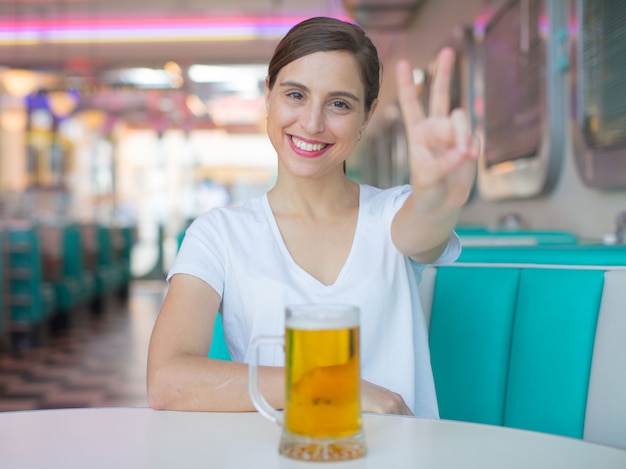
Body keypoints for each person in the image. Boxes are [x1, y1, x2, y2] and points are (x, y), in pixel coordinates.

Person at [147, 16, 478, 417]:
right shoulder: (218, 235)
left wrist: (437, 197)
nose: (312, 122)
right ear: (268, 95)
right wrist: (333, 387)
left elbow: (424, 230)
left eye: (339, 103)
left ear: (367, 115)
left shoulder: (392, 215)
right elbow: (167, 382)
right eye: (295, 95)